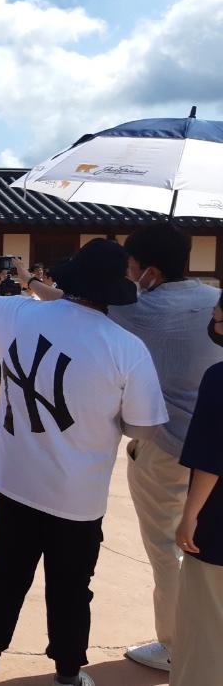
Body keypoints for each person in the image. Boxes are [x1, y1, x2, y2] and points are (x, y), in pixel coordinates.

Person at [0, 238, 169, 686]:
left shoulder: (17, 314)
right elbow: (145, 428)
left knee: (6, 572)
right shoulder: (126, 348)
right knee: (71, 587)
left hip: (14, 481)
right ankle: (69, 674)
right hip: (77, 495)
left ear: (71, 278)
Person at [16, 226, 223, 671]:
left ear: (149, 271)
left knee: (169, 549)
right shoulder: (213, 299)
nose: (127, 279)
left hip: (166, 447)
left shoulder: (136, 310)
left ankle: (174, 643)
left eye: (131, 269)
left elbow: (69, 300)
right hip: (215, 447)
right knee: (210, 551)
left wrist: (27, 282)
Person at [171, 291, 223, 686]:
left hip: (218, 527)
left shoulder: (219, 378)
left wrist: (189, 517)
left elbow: (210, 459)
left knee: (205, 628)